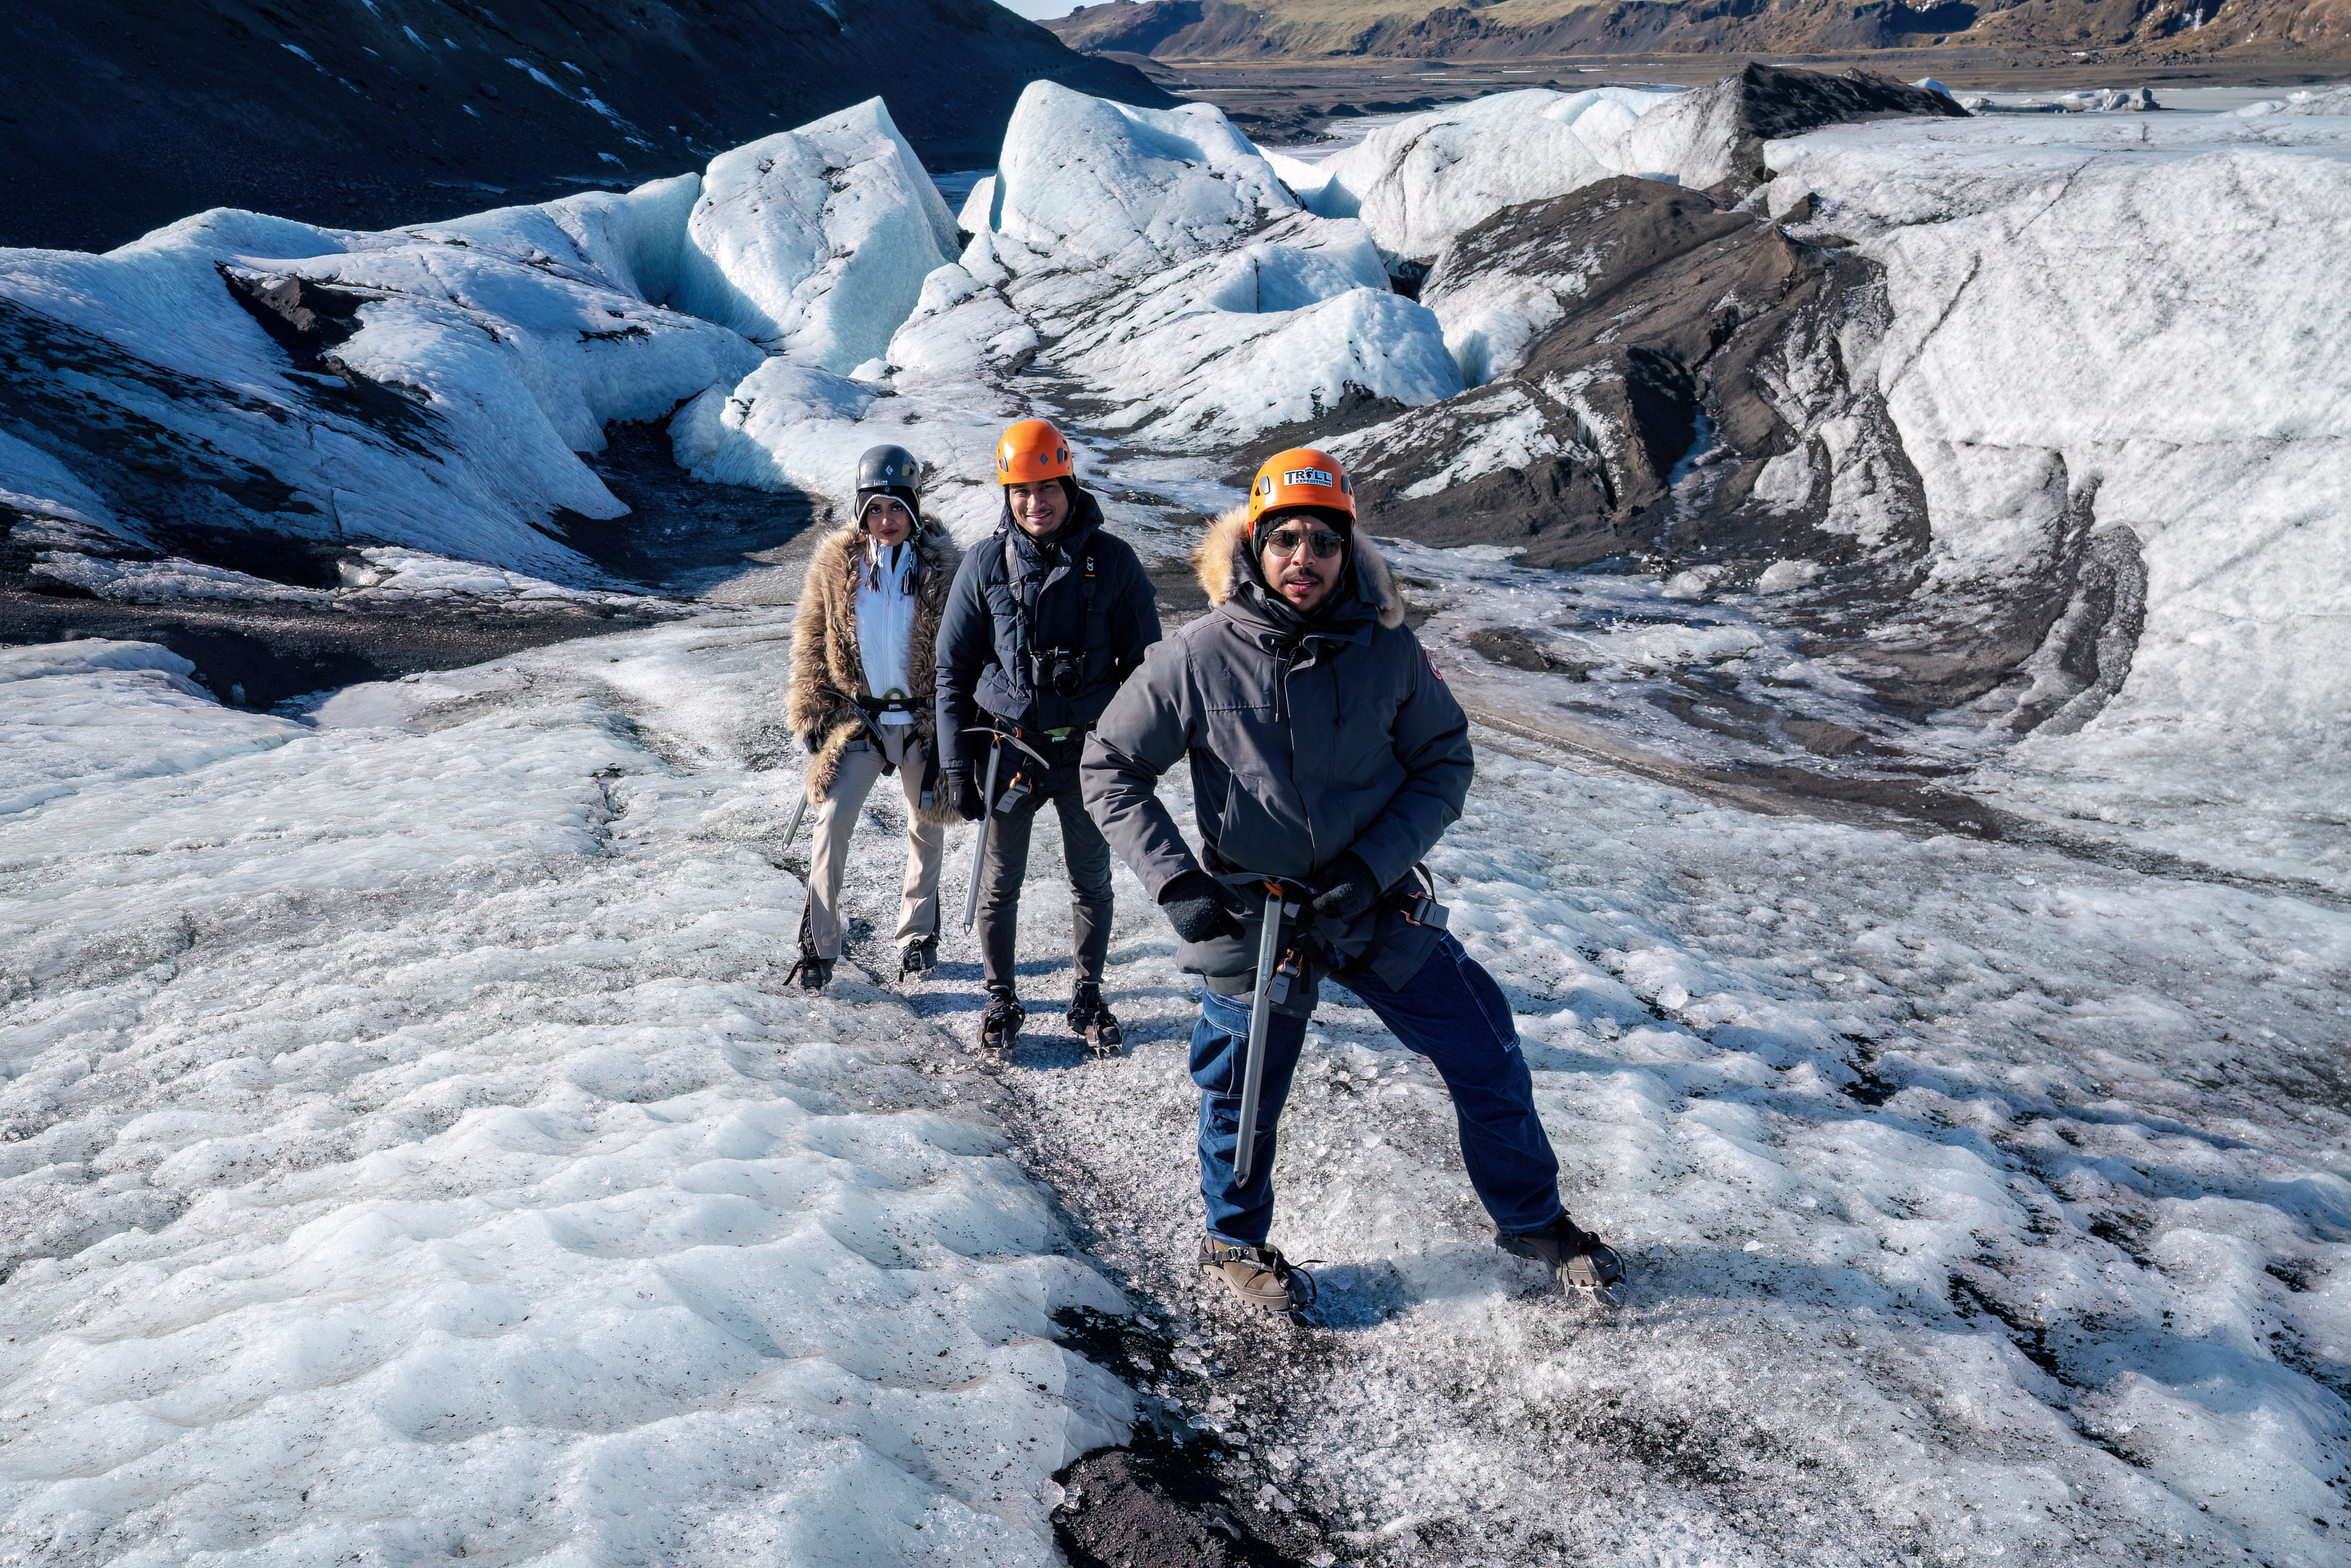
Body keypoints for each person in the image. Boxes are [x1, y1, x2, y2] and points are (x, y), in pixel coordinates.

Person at [1081, 447, 1625, 1313]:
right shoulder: (1197, 657)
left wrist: (1370, 868)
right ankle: (1235, 1243)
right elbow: (1110, 765)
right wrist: (1180, 886)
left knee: (1484, 1051)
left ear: (1347, 551)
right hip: (1252, 918)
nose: (1305, 558)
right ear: (1254, 547)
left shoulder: (1388, 652)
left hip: (1369, 904)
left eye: (1323, 542)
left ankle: (1530, 1220)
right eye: (1285, 539)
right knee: (1244, 1088)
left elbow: (1442, 760)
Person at [934, 418, 1161, 1055]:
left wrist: (1135, 755)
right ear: (1008, 495)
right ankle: (1000, 994)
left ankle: (1088, 993)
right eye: (1021, 491)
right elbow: (952, 669)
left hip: (1090, 753)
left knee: (1091, 879)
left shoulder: (1113, 562)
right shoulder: (984, 564)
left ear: (1067, 482)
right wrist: (957, 766)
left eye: (1046, 488)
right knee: (999, 883)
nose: (1036, 503)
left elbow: (1147, 669)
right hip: (1010, 753)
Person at [785, 444, 963, 990]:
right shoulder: (836, 567)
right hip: (859, 719)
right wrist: (812, 706)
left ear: (913, 508)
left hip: (922, 720)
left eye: (896, 509)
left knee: (925, 824)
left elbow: (964, 648)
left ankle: (917, 936)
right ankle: (819, 941)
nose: (886, 521)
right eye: (875, 509)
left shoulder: (942, 569)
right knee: (833, 821)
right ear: (862, 513)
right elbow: (812, 639)